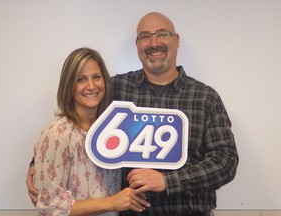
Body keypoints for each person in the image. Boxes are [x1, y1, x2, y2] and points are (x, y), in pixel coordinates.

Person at [27, 12, 239, 216]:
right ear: (137, 45)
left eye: (162, 34)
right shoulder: (114, 90)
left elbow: (225, 162)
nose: (154, 43)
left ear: (176, 40)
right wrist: (36, 166)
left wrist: (167, 181)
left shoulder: (205, 98)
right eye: (145, 36)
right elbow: (78, 129)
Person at [31, 47, 150, 216]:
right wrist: (112, 202)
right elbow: (50, 206)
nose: (91, 86)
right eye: (81, 79)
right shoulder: (58, 134)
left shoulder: (110, 130)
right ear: (68, 85)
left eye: (96, 77)